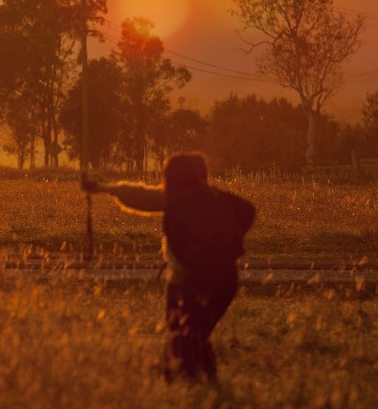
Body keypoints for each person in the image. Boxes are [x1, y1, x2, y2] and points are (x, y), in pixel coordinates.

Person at [83, 152, 255, 381]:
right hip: (226, 278)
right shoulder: (216, 198)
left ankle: (182, 381)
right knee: (195, 334)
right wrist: (227, 240)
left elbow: (142, 197)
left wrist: (102, 187)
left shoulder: (177, 200)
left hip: (190, 279)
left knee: (183, 334)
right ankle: (200, 380)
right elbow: (247, 210)